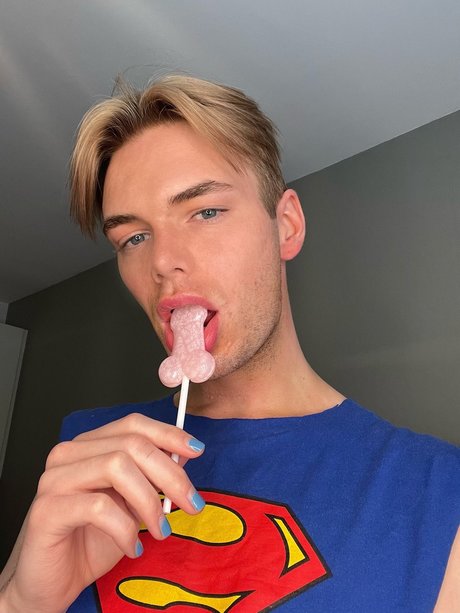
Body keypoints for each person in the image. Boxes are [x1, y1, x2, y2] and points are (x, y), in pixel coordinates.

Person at [0, 74, 459, 612]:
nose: (162, 261)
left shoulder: (437, 493)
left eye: (206, 211)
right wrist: (24, 602)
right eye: (134, 237)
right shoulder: (84, 456)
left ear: (286, 226)